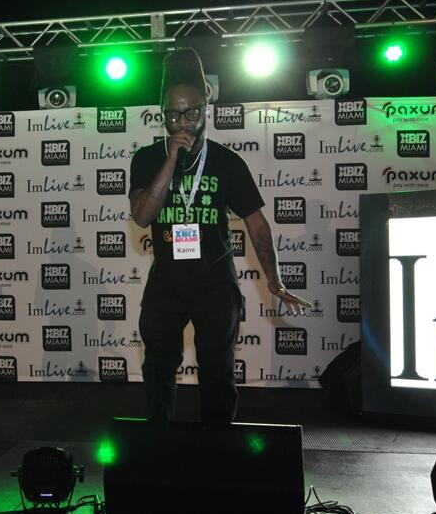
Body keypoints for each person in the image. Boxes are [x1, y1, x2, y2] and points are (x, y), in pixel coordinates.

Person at [129, 48, 308, 423]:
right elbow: (143, 216)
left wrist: (275, 281)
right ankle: (157, 443)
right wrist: (171, 160)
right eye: (173, 114)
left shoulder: (227, 163)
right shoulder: (147, 158)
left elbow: (257, 225)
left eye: (191, 113)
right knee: (158, 368)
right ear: (162, 112)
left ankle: (217, 446)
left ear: (206, 109)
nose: (182, 122)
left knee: (217, 372)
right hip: (167, 282)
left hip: (215, 282)